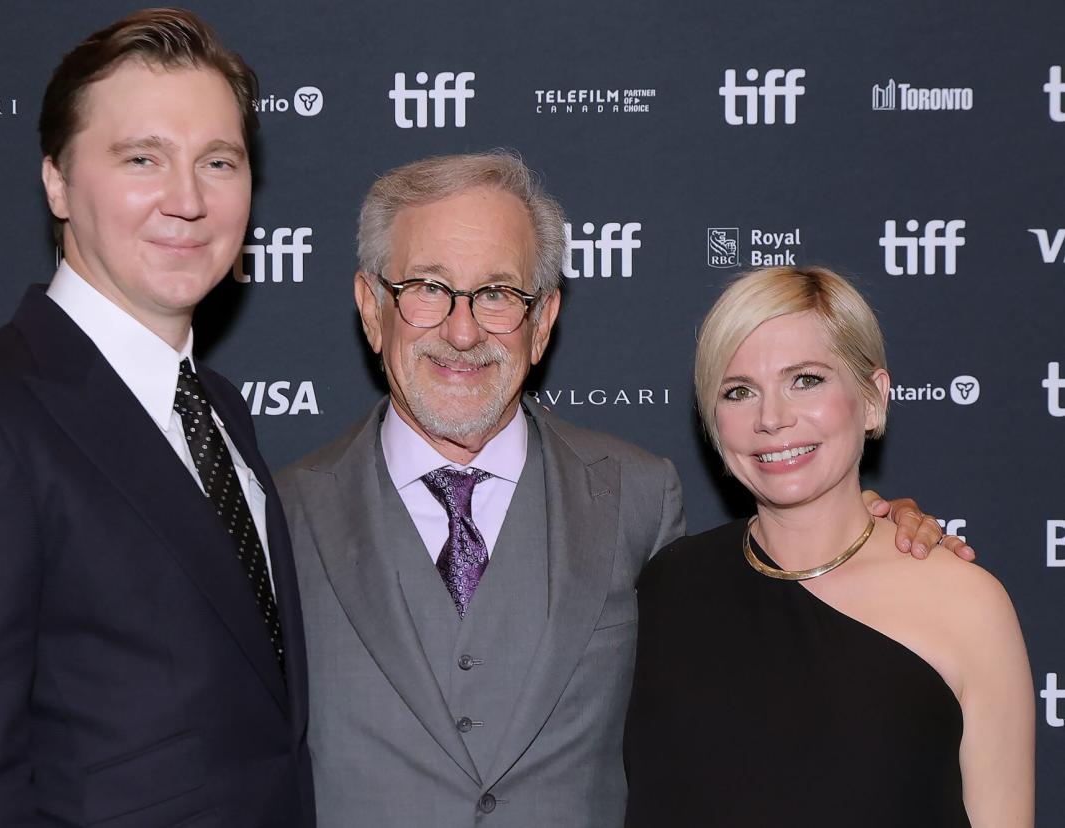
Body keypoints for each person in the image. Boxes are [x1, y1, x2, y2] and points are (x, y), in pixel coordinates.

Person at [275, 153, 955, 827]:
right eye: (428, 287)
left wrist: (868, 531)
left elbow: (755, 668)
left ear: (541, 323)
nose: (463, 329)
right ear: (372, 307)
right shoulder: (277, 513)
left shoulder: (639, 496)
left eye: (498, 294)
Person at [0, 10, 313, 827]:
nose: (187, 199)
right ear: (57, 182)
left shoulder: (218, 410)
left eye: (218, 161)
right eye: (142, 158)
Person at [623, 266, 1034, 827]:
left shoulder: (968, 603)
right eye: (739, 392)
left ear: (872, 398)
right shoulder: (669, 587)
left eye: (806, 380)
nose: (772, 418)